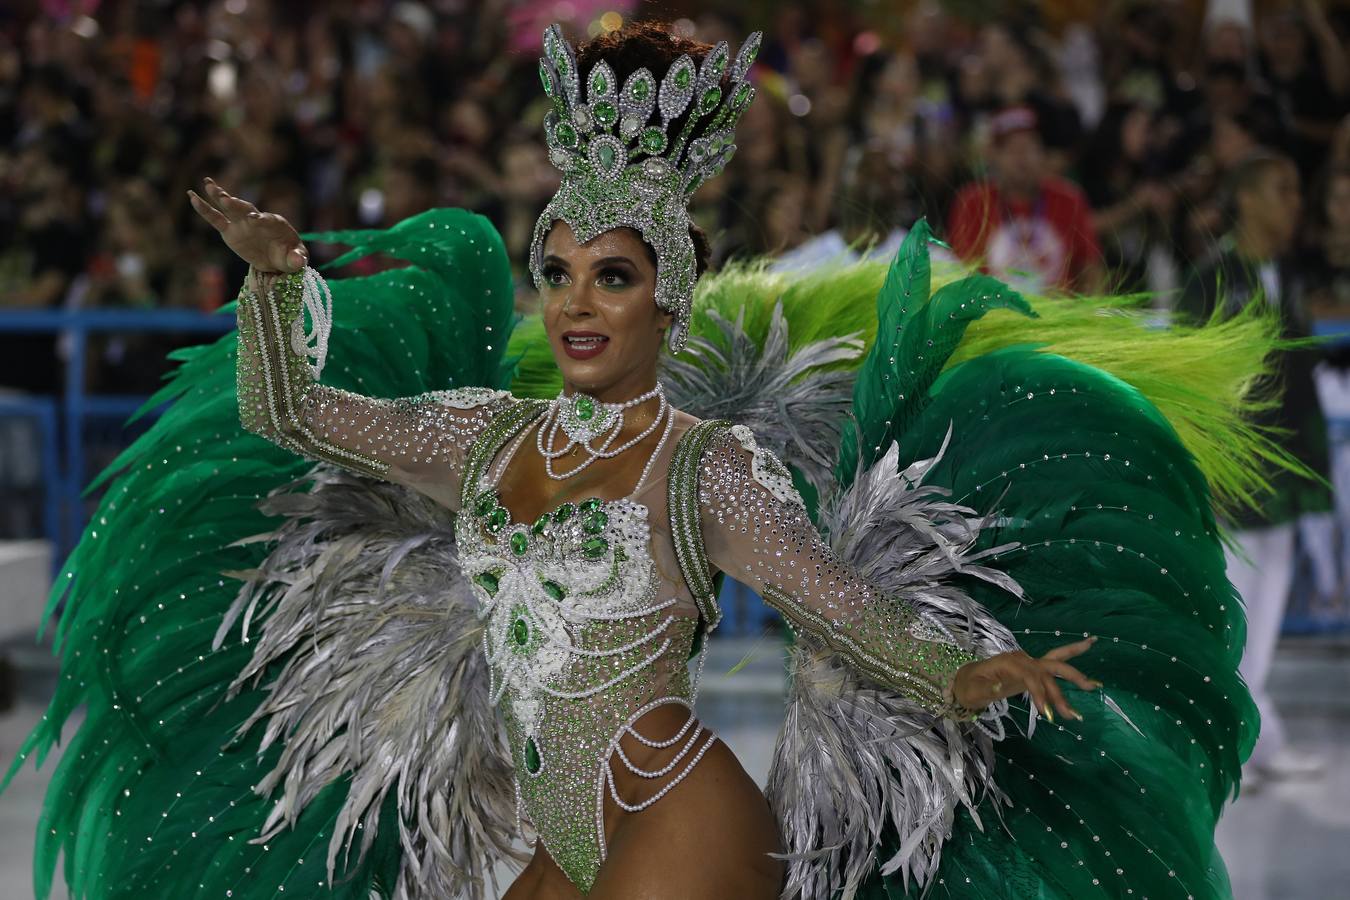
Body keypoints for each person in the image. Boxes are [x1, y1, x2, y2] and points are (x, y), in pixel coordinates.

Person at [8, 21, 1289, 900]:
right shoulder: (481, 435)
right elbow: (294, 414)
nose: (573, 305)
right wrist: (280, 283)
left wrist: (971, 667)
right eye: (555, 274)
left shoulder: (703, 468)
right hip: (566, 822)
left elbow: (835, 604)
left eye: (610, 279)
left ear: (666, 306)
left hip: (679, 810)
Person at [1178, 150, 1332, 785]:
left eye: (1297, 190)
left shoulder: (1284, 273)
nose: (1296, 202)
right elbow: (1194, 381)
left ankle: (1254, 736)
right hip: (1238, 474)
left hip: (1286, 469)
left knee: (1263, 610)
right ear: (1246, 200)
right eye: (1283, 189)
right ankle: (1235, 737)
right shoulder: (1213, 279)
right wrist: (1207, 469)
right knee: (1238, 610)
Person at [947, 105, 1105, 294]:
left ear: (1043, 154)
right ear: (993, 156)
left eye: (1030, 148)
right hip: (992, 318)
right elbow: (959, 272)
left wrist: (1087, 314)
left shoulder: (1069, 199)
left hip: (1057, 319)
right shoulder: (972, 202)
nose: (1022, 158)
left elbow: (1091, 268)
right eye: (1011, 150)